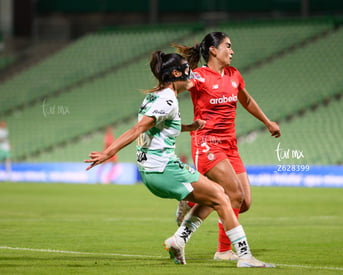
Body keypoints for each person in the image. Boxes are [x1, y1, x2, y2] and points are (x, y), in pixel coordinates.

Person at [85, 51, 275, 268]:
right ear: (175, 73)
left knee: (212, 197)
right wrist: (109, 152)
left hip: (152, 171)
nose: (191, 75)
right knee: (222, 197)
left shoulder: (154, 96)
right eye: (186, 71)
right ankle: (244, 256)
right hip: (164, 170)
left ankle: (178, 241)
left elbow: (159, 126)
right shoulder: (167, 99)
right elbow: (139, 128)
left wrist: (188, 128)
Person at [173, 32, 281, 261]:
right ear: (213, 50)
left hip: (230, 146)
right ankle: (225, 251)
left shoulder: (234, 75)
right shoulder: (198, 77)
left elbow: (247, 100)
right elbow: (173, 89)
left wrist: (267, 122)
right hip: (207, 144)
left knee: (243, 202)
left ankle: (192, 201)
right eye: (228, 46)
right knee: (233, 193)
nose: (232, 51)